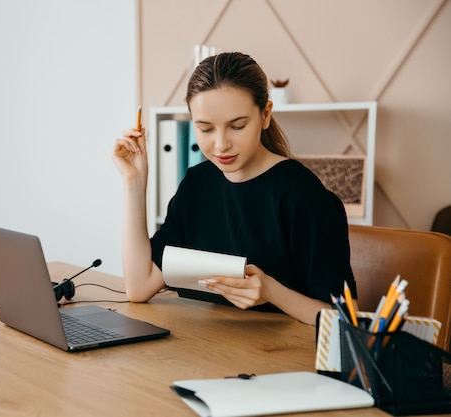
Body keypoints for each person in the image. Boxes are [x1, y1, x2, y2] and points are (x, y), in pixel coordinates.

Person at [112, 52, 357, 325]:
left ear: (265, 116)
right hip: (211, 353)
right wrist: (134, 182)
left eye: (237, 126)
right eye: (205, 129)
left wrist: (271, 292)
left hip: (284, 359)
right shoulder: (197, 184)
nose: (220, 145)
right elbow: (139, 286)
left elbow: (344, 320)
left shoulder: (302, 195)